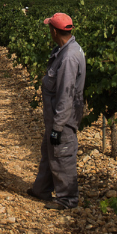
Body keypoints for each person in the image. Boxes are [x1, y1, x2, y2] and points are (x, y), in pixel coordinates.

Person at [27, 12, 86, 210]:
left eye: (49, 28)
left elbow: (65, 95)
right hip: (55, 116)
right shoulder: (65, 50)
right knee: (49, 152)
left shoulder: (68, 58)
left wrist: (58, 127)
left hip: (63, 118)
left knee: (62, 155)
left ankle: (67, 199)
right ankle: (41, 190)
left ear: (54, 31)